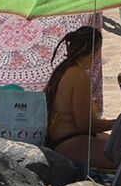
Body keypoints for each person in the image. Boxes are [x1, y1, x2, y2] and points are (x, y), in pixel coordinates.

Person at [44, 26, 113, 168]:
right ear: (95, 52)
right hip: (68, 143)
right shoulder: (79, 76)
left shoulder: (63, 68)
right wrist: (116, 123)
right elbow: (85, 125)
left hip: (58, 140)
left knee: (116, 143)